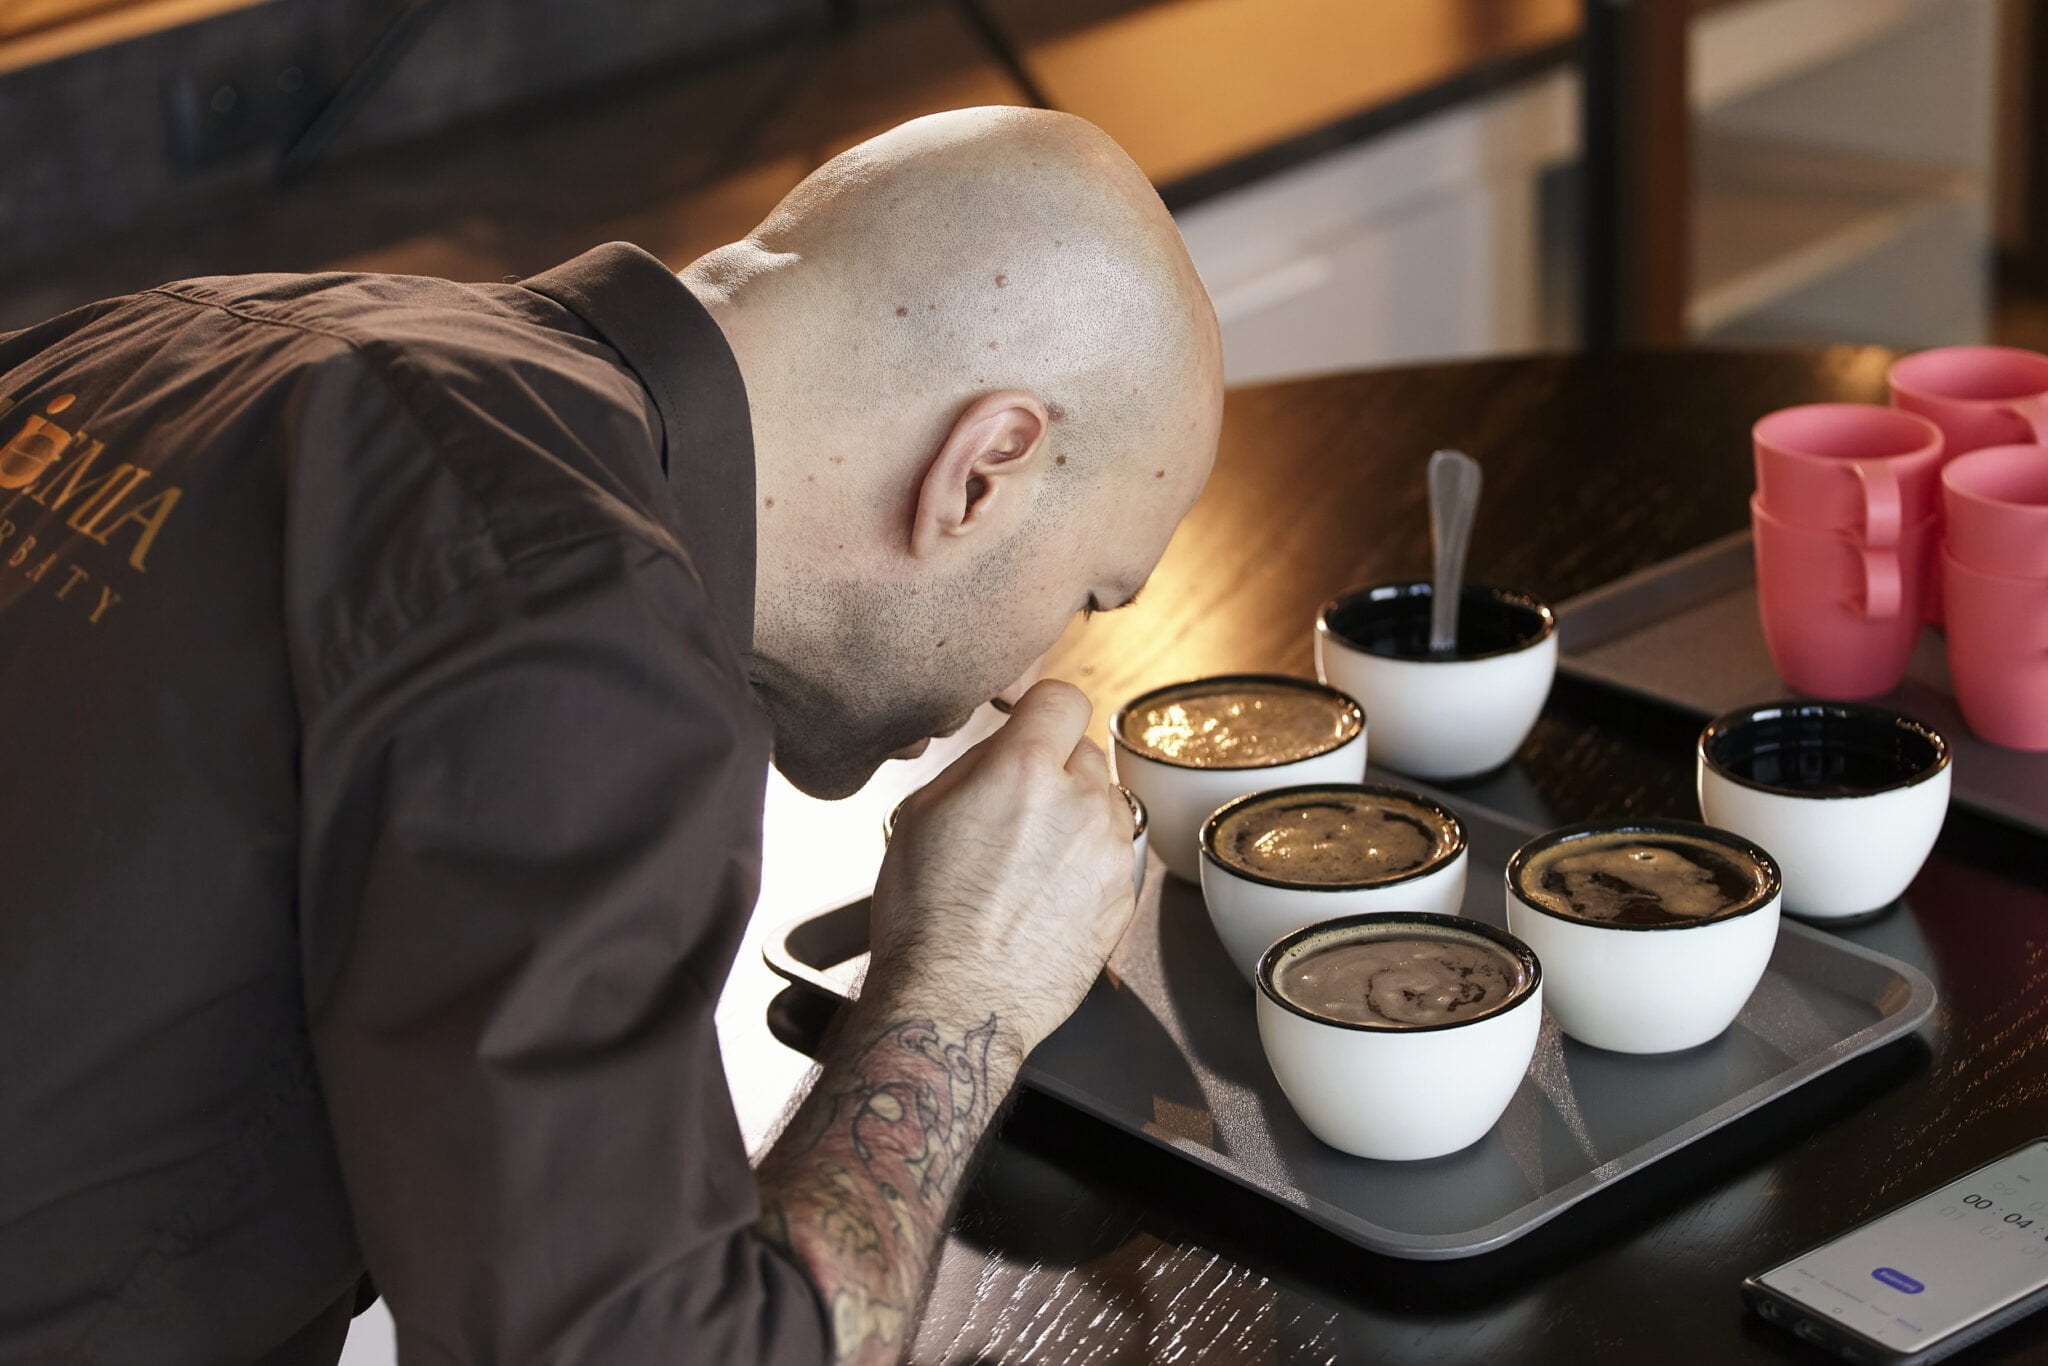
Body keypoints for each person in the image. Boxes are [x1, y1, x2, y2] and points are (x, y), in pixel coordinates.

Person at [0, 105, 1222, 1364]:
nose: (1026, 682)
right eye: (1087, 597)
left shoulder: (172, 338)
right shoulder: (573, 620)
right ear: (980, 473)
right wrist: (964, 985)